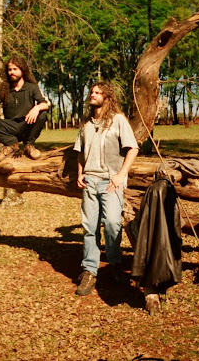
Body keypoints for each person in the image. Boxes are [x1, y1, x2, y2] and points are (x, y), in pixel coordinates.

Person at [73, 81, 139, 296]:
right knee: (89, 227)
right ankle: (89, 270)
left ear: (107, 97)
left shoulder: (118, 120)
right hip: (90, 181)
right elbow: (80, 152)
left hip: (111, 181)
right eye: (91, 91)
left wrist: (121, 175)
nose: (93, 95)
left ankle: (115, 264)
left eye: (98, 92)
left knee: (111, 222)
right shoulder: (86, 124)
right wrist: (80, 172)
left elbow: (133, 148)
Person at [0, 55, 50, 162]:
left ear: (22, 69)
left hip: (27, 125)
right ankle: (11, 145)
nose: (12, 72)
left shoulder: (31, 87)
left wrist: (36, 108)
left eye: (15, 69)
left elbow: (45, 104)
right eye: (10, 69)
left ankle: (29, 146)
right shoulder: (4, 88)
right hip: (10, 127)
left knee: (43, 113)